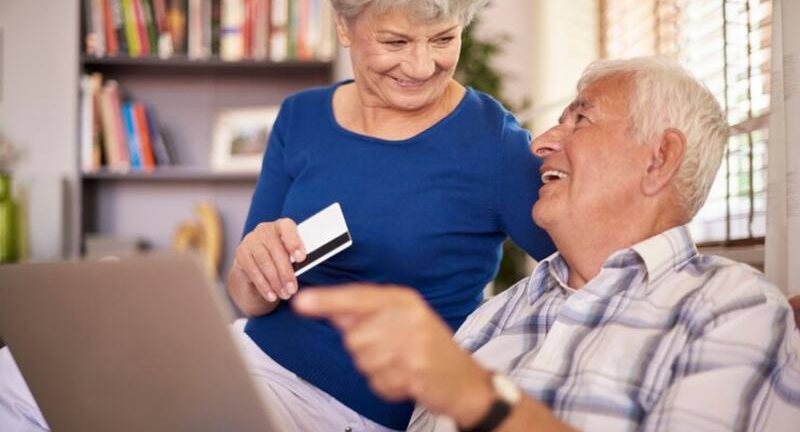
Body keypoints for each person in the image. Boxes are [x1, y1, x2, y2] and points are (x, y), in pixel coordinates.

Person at [293, 57, 800, 431]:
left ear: (659, 159)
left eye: (580, 119)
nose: (539, 144)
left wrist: (482, 401)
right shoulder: (497, 314)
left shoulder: (732, 308)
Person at [224, 0, 554, 430]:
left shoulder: (491, 141)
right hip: (256, 360)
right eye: (395, 41)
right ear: (344, 25)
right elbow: (249, 299)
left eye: (443, 38)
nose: (421, 67)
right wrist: (252, 264)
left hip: (366, 410)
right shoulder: (300, 117)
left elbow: (592, 270)